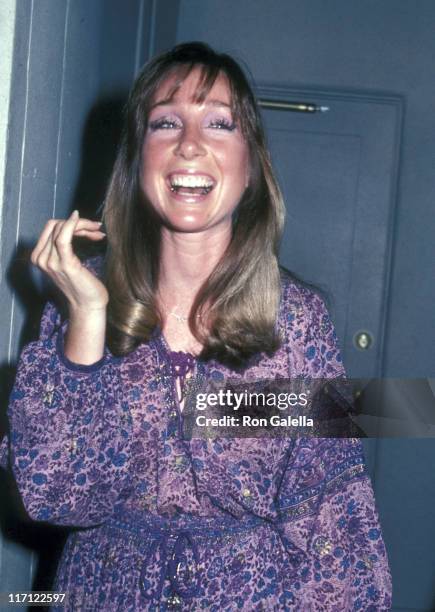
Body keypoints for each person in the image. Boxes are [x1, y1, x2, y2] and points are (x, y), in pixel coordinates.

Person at [0, 42, 392, 610]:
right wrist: (87, 322)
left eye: (219, 123)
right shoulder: (77, 300)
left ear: (252, 165)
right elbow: (62, 498)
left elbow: (331, 514)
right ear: (138, 161)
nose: (189, 144)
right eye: (165, 123)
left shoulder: (297, 319)